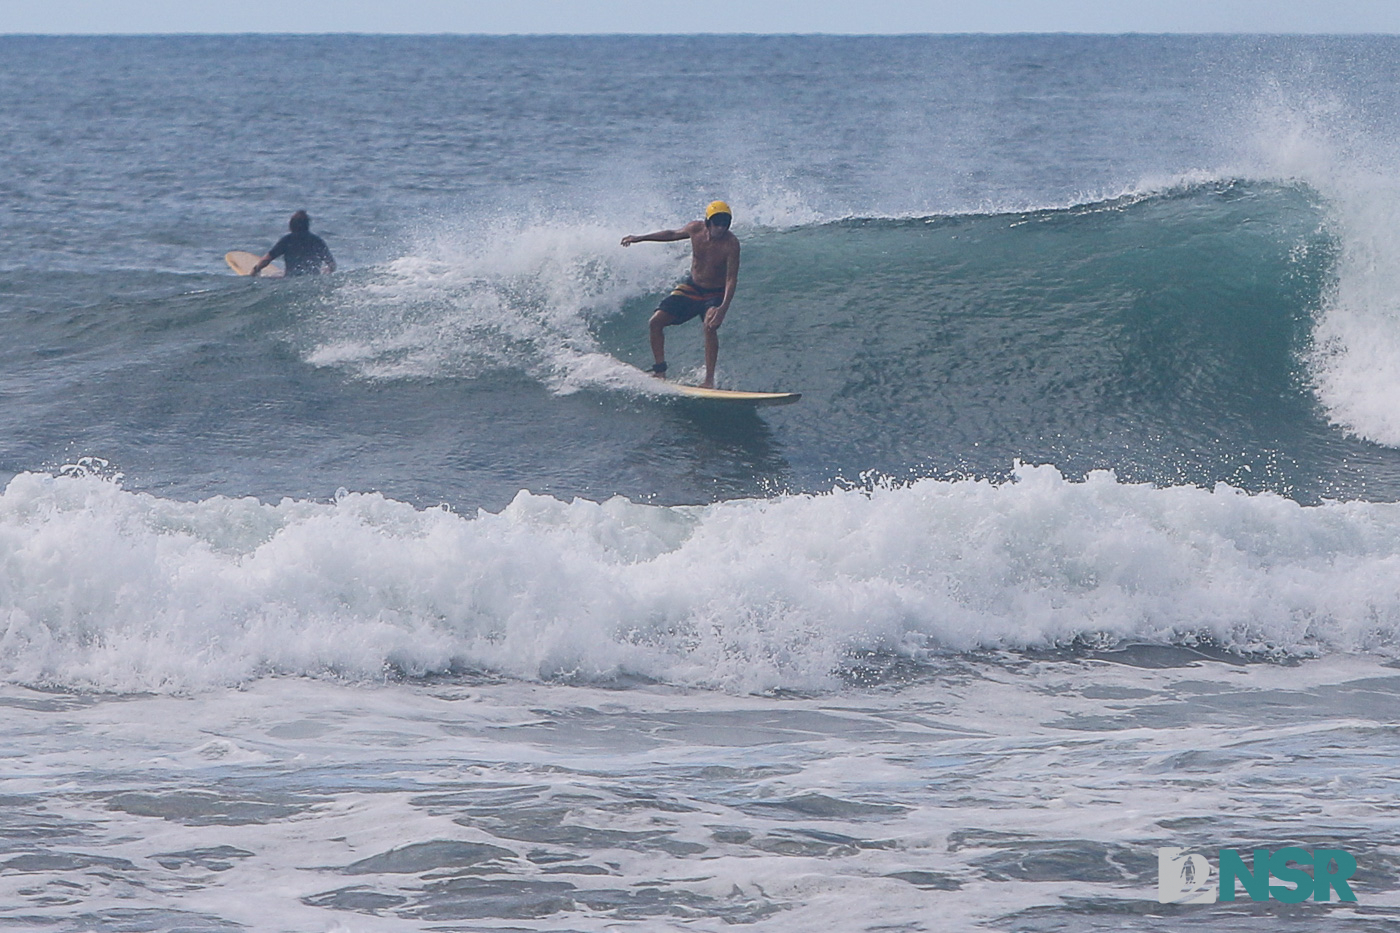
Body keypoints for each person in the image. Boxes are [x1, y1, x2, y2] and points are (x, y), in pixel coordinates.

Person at [621, 200, 740, 389]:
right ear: (708, 221)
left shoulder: (731, 244)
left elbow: (731, 279)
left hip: (714, 293)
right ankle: (659, 370)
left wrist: (723, 308)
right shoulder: (695, 229)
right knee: (655, 322)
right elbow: (671, 234)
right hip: (693, 287)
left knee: (710, 327)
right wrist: (640, 238)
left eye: (725, 223)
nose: (721, 227)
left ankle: (708, 380)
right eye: (717, 223)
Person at [251, 210, 336, 277]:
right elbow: (332, 265)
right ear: (307, 225)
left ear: (291, 225)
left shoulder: (287, 240)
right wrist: (324, 272)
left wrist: (256, 269)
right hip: (311, 279)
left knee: (275, 276)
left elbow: (267, 259)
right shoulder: (317, 241)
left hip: (291, 279)